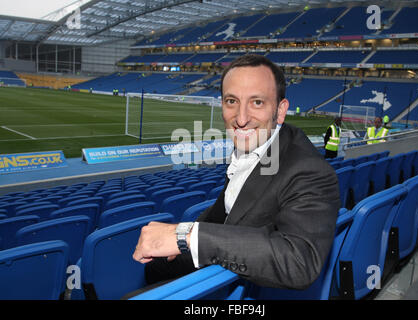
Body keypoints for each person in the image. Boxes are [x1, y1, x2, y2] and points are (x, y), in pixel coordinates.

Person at [130, 55, 340, 296]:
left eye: (257, 102)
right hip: (229, 255)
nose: (241, 119)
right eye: (232, 101)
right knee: (154, 269)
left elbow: (300, 261)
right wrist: (181, 231)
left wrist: (190, 237)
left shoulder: (309, 170)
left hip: (249, 287)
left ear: (281, 111)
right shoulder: (257, 143)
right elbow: (227, 209)